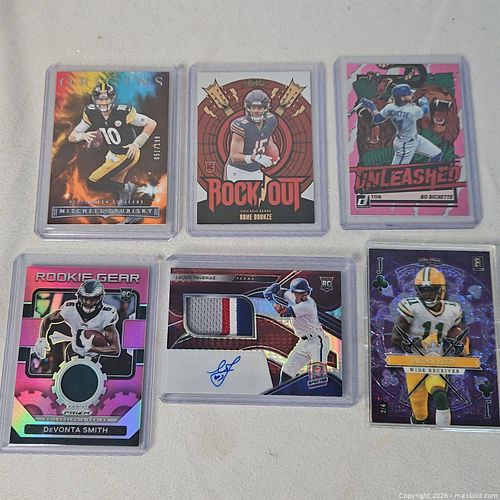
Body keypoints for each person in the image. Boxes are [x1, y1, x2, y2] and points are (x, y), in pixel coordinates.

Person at [392, 266, 467, 426]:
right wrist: (419, 343)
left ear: (441, 290)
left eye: (430, 290)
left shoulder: (452, 310)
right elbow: (396, 339)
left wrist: (460, 342)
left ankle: (444, 434)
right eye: (423, 290)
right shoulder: (412, 307)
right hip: (414, 362)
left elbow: (457, 331)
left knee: (440, 396)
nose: (426, 294)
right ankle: (417, 428)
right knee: (420, 412)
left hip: (436, 361)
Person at [68, 82, 157, 213]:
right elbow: (71, 137)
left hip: (127, 154)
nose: (103, 102)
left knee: (93, 182)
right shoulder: (91, 113)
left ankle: (130, 189)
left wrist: (137, 144)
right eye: (100, 99)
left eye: (106, 99)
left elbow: (151, 123)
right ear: (94, 99)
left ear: (112, 98)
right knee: (115, 185)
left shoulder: (122, 112)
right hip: (113, 154)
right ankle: (129, 210)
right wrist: (82, 135)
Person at [33, 279, 120, 360]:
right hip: (74, 350)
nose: (87, 302)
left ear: (100, 298)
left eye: (92, 299)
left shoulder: (106, 314)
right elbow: (48, 319)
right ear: (79, 296)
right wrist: (42, 338)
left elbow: (115, 349)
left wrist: (91, 348)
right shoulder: (70, 309)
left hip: (97, 354)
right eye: (84, 298)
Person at [264, 278, 329, 384]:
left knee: (318, 378)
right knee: (287, 371)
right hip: (303, 342)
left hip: (317, 342)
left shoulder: (307, 305)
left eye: (306, 292)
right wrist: (275, 290)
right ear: (294, 293)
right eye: (301, 293)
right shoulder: (292, 295)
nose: (305, 295)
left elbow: (283, 312)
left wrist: (270, 298)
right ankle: (283, 393)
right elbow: (283, 293)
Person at [361, 83, 442, 165]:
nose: (411, 95)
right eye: (409, 94)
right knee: (396, 170)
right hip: (405, 145)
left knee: (436, 154)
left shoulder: (390, 107)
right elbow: (425, 110)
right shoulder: (413, 110)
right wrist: (424, 102)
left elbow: (377, 119)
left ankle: (431, 171)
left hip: (415, 139)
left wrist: (371, 107)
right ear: (402, 98)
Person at [225, 89, 278, 182]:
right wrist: (255, 157)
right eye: (253, 107)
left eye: (259, 107)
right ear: (248, 108)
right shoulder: (241, 125)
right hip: (237, 171)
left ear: (265, 108)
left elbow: (267, 136)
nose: (256, 111)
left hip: (256, 171)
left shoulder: (271, 120)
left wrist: (273, 153)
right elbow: (234, 157)